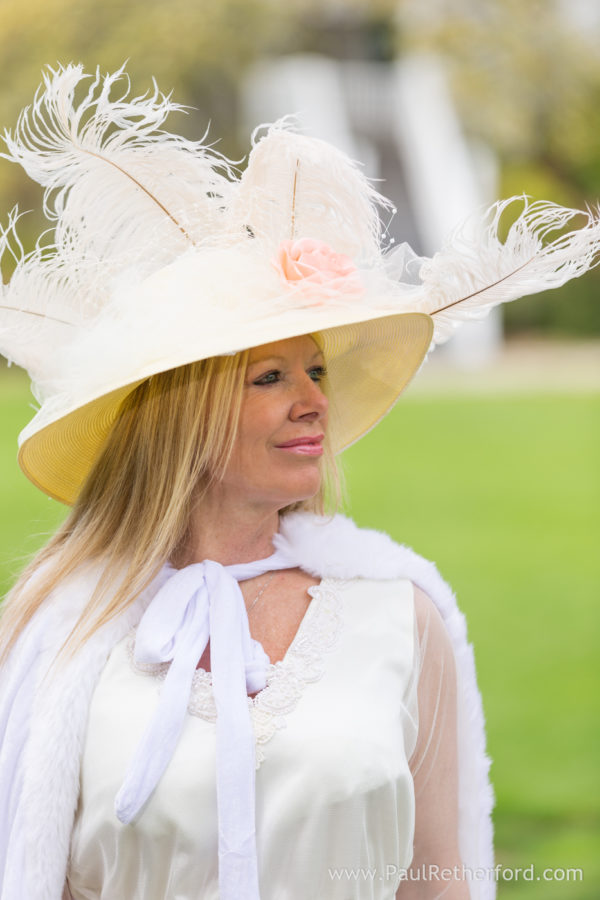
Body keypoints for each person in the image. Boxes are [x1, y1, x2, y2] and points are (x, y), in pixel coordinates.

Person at [0, 64, 598, 900]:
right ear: (182, 416)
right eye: (270, 377)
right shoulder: (63, 630)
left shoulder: (400, 616)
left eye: (315, 370)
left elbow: (436, 881)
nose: (317, 401)